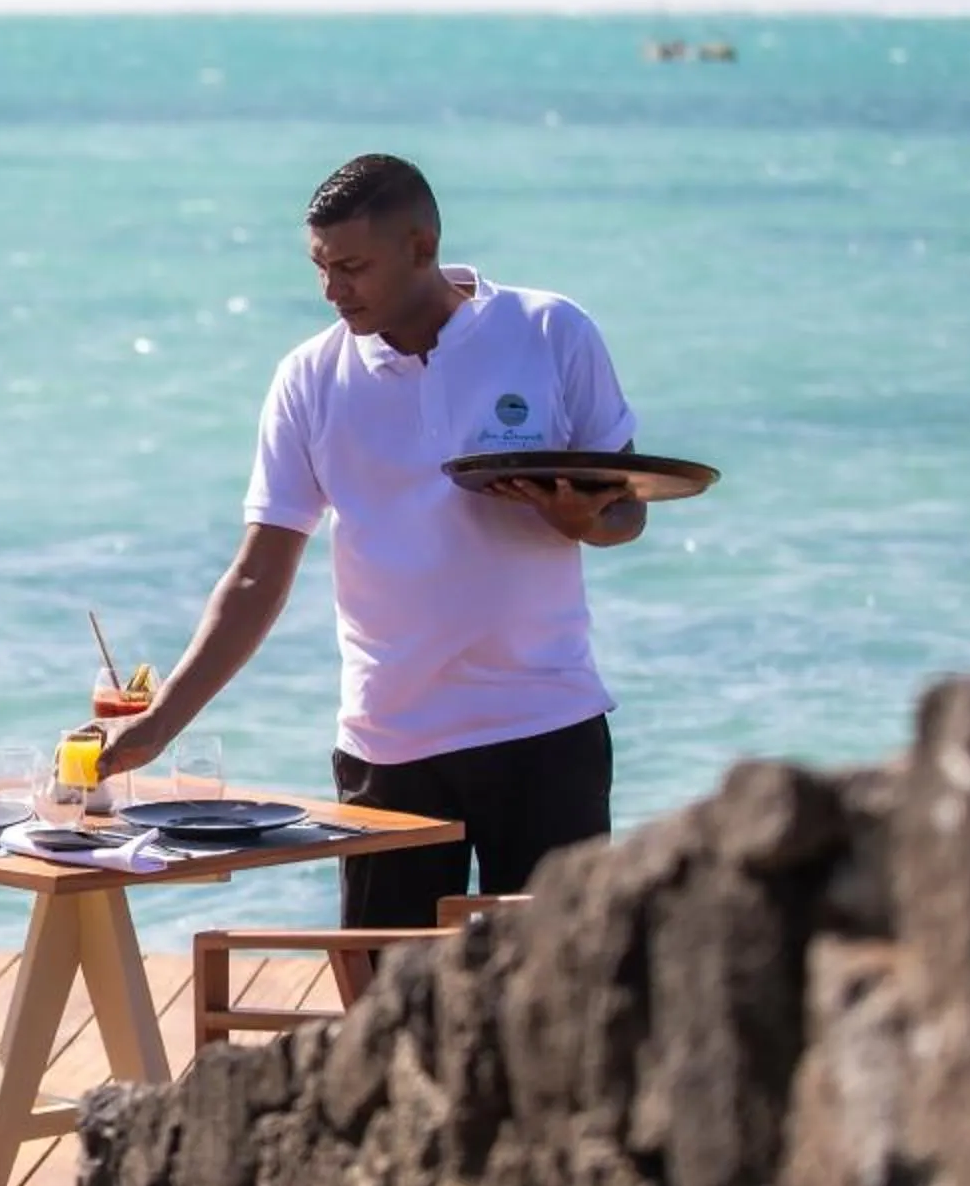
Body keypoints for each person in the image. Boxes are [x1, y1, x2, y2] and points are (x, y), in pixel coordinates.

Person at [96, 153, 645, 929]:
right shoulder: (308, 377)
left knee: (560, 1007)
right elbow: (259, 574)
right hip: (388, 745)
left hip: (545, 729)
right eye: (320, 267)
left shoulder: (551, 331)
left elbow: (627, 509)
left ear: (421, 247)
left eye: (351, 266)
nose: (331, 290)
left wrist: (586, 521)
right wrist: (160, 724)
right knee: (383, 1006)